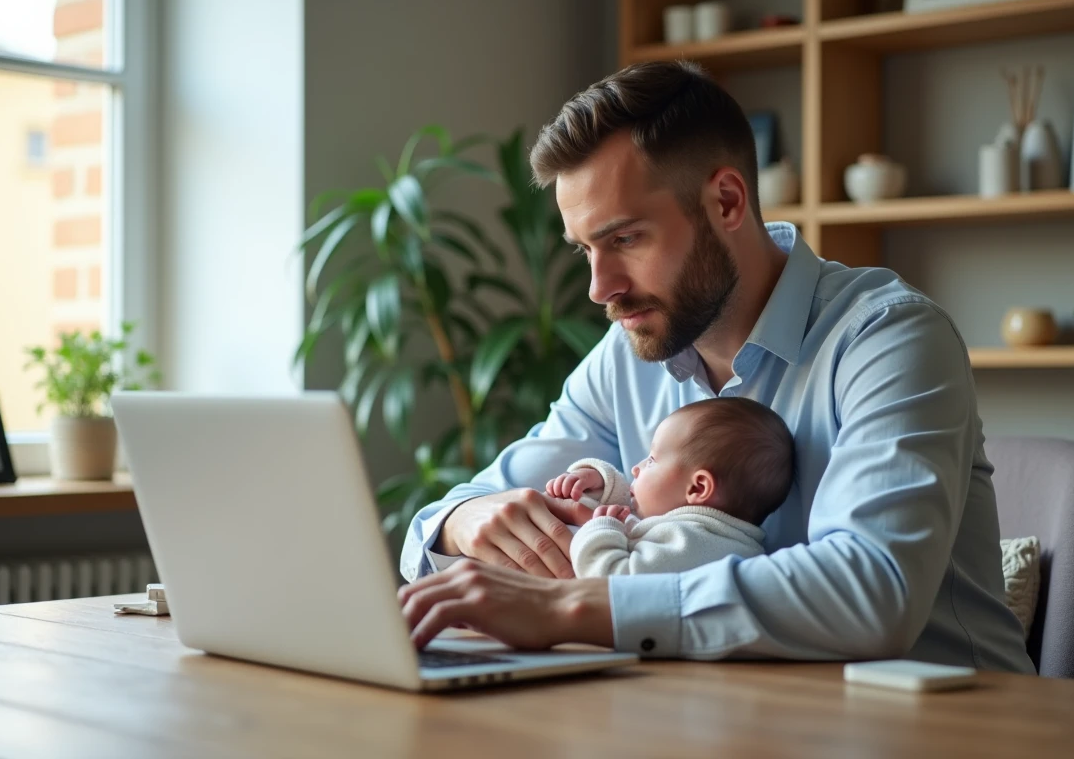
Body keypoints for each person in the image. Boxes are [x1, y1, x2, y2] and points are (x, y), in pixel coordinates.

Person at [398, 60, 1034, 673]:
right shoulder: (628, 356)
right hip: (737, 723)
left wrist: (577, 606)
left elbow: (873, 590)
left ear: (727, 201)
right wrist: (468, 521)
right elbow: (439, 524)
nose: (599, 288)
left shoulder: (887, 338)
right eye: (585, 250)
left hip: (944, 728)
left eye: (624, 239)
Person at [546, 397, 792, 577]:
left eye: (652, 460)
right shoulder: (699, 532)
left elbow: (611, 583)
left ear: (697, 489)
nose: (636, 468)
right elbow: (632, 514)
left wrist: (598, 528)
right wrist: (600, 481)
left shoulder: (692, 546)